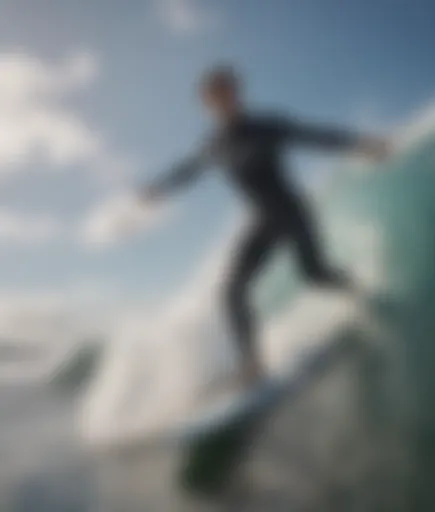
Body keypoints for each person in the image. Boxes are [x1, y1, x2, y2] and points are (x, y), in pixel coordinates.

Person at [141, 65, 390, 388]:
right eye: (215, 94)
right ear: (207, 102)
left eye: (228, 90)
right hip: (262, 222)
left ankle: (364, 297)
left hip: (292, 213)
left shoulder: (265, 126)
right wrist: (159, 189)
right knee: (231, 292)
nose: (224, 99)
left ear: (237, 92)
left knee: (315, 275)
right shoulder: (213, 145)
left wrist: (361, 143)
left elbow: (312, 135)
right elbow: (188, 170)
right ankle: (253, 363)